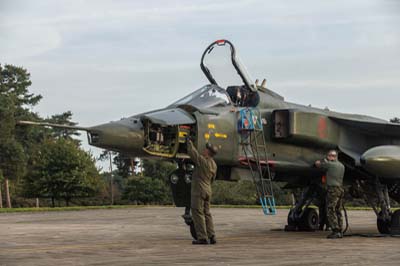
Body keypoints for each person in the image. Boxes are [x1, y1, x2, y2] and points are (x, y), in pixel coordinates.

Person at [187, 139, 218, 245]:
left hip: (199, 190)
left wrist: (189, 142)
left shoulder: (202, 161)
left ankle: (202, 238)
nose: (204, 150)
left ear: (207, 152)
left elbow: (192, 153)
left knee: (197, 212)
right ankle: (212, 236)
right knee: (207, 213)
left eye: (205, 149)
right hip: (208, 190)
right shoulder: (214, 165)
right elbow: (213, 179)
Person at [315, 150, 345, 239]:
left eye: (329, 155)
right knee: (338, 210)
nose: (328, 157)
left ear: (332, 156)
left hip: (333, 190)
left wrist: (321, 161)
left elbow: (318, 165)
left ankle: (335, 230)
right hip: (340, 189)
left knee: (330, 210)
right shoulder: (341, 166)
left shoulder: (330, 164)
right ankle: (340, 230)